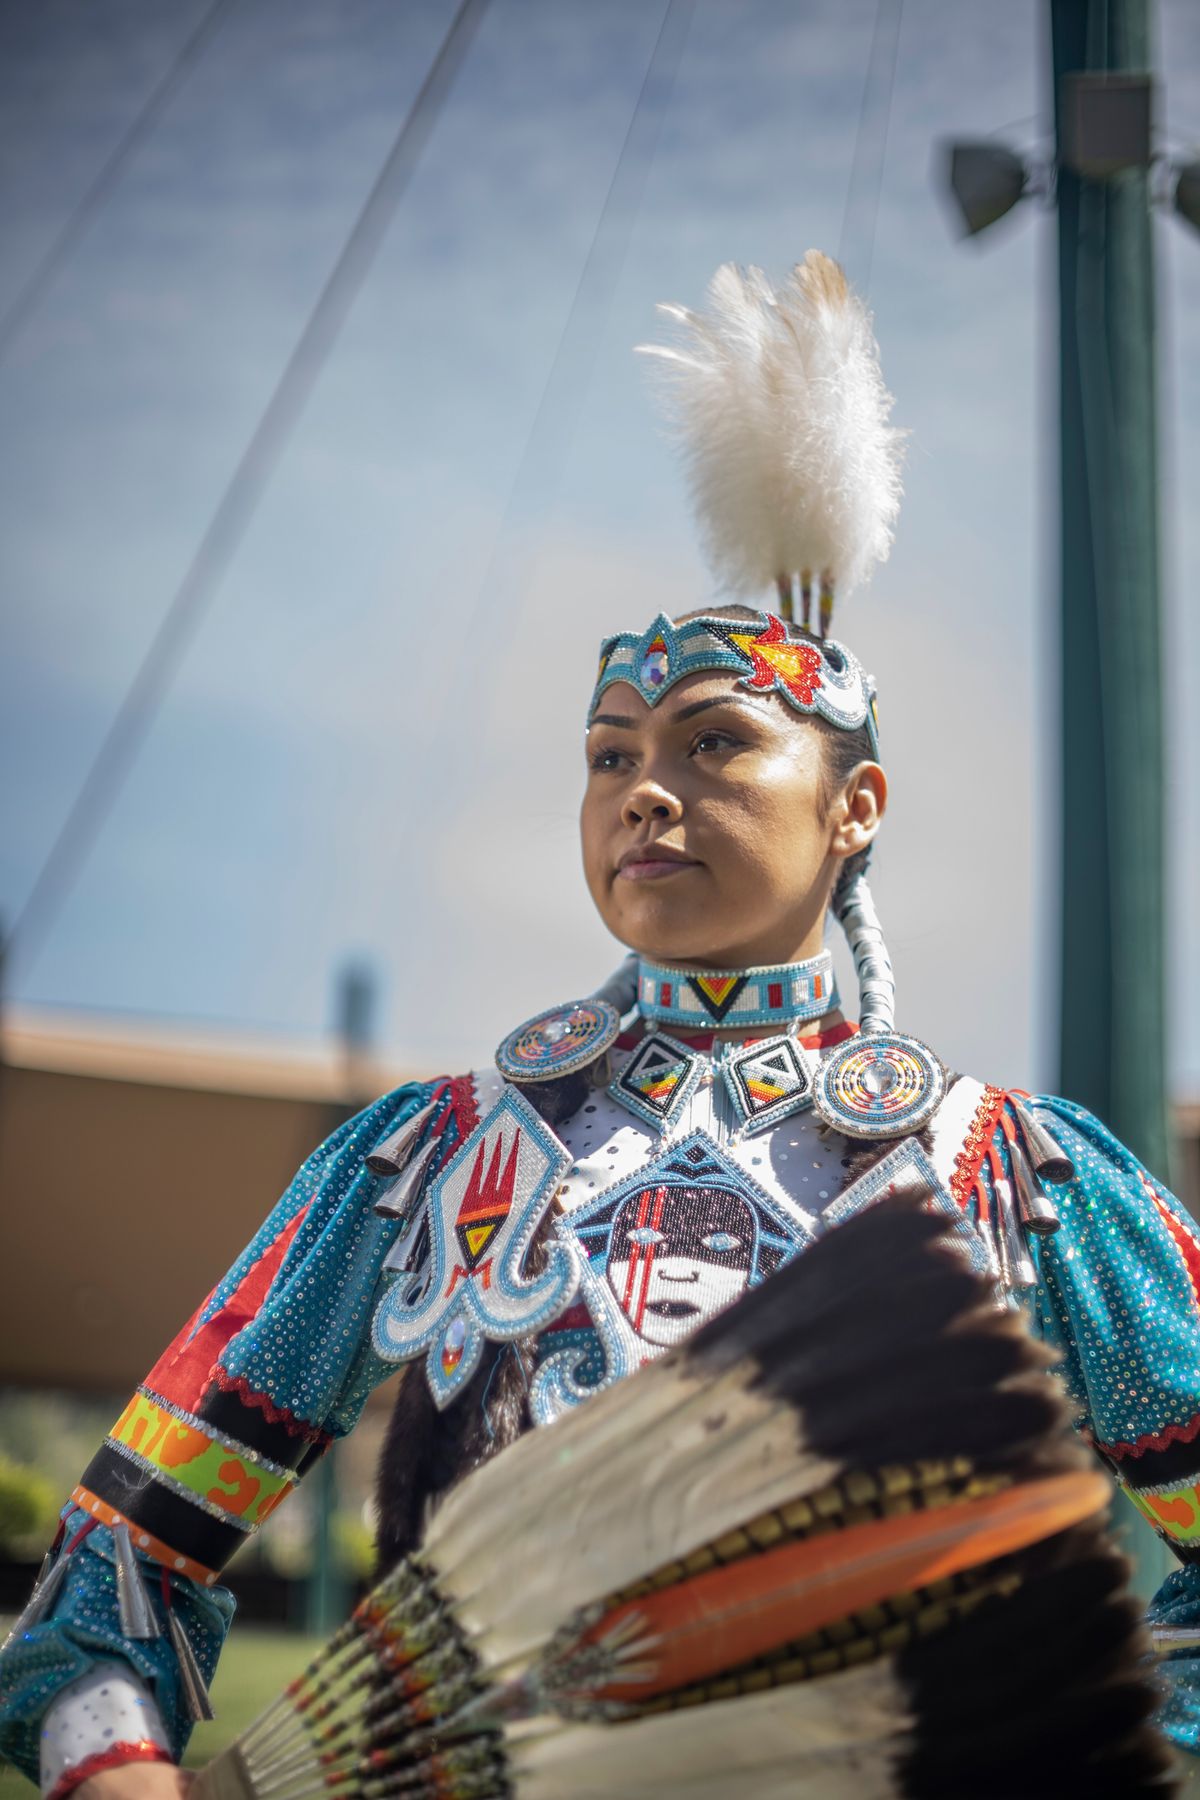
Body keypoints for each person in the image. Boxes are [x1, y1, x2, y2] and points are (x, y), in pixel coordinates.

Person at [3, 252, 1199, 1797]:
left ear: (857, 809)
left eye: (714, 744)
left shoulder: (1014, 1178)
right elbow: (113, 1568)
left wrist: (1102, 1754)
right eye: (609, 752)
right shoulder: (428, 1162)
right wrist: (119, 1775)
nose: (647, 788)